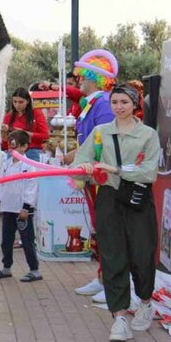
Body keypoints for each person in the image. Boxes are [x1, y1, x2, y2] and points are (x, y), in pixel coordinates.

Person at [72, 84, 161, 342]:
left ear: (135, 104)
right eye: (115, 102)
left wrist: (117, 170)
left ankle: (145, 302)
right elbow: (81, 160)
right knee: (112, 256)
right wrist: (86, 167)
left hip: (137, 198)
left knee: (143, 254)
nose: (119, 107)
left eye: (124, 102)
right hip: (109, 198)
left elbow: (149, 172)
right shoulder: (100, 132)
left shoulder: (148, 135)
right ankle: (119, 318)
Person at [66, 49, 119, 300]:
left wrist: (79, 156)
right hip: (90, 175)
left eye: (83, 76)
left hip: (103, 178)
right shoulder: (92, 104)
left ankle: (113, 282)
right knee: (99, 227)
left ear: (94, 78)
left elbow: (106, 142)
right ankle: (102, 277)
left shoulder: (104, 104)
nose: (78, 80)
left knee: (108, 229)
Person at [0, 131, 42, 283]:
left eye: (15, 145)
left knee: (27, 241)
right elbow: (1, 183)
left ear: (24, 147)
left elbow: (31, 187)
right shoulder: (6, 165)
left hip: (22, 211)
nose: (11, 149)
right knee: (6, 240)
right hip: (8, 208)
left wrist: (26, 207)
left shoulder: (29, 166)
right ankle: (6, 267)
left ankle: (34, 270)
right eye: (10, 145)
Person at [0, 87, 49, 162]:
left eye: (21, 102)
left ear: (28, 101)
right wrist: (3, 133)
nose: (17, 105)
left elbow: (45, 135)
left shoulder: (36, 113)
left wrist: (23, 133)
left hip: (31, 152)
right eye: (14, 102)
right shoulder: (9, 116)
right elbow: (4, 142)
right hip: (12, 153)